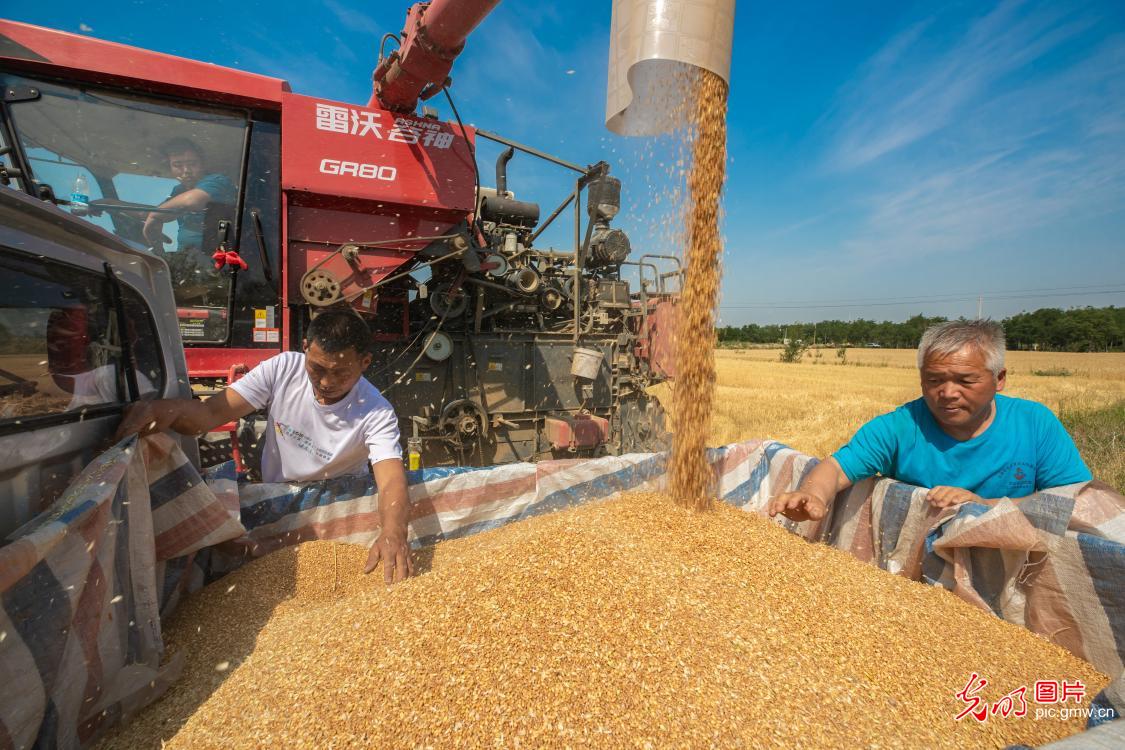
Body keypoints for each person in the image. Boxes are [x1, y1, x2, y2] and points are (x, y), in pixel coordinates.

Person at [116, 311, 414, 583]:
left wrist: (393, 533)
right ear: (305, 347)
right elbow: (210, 414)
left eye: (341, 373)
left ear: (365, 363)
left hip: (338, 508)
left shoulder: (376, 411)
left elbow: (390, 481)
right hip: (278, 500)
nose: (326, 382)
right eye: (318, 368)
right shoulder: (283, 368)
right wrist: (162, 411)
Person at [768, 319, 1092, 522]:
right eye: (935, 380)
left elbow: (1073, 500)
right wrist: (814, 495)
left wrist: (985, 505)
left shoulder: (1034, 424)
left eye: (965, 381)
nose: (948, 393)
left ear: (999, 378)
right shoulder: (900, 426)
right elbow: (838, 467)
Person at [142, 138, 236, 306]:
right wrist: (112, 204)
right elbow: (163, 212)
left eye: (192, 164)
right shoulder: (178, 190)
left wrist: (154, 216)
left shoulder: (217, 181)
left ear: (203, 163)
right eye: (178, 165)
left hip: (213, 265)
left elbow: (192, 201)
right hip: (187, 264)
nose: (186, 171)